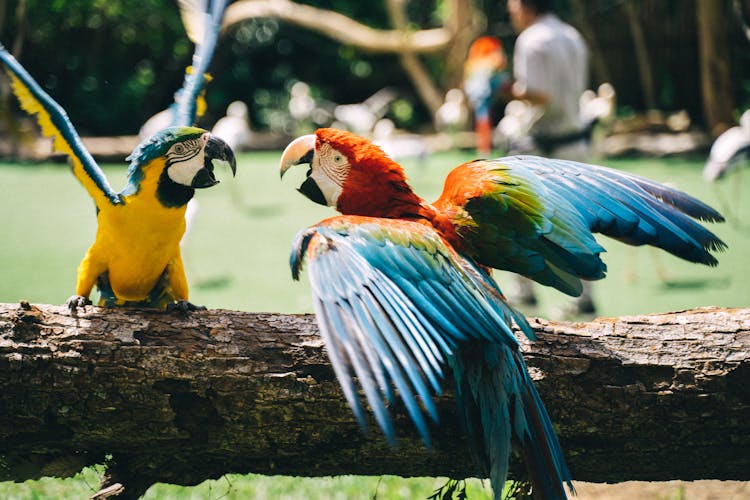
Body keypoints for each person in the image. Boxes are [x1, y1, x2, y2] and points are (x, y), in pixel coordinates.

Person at [506, 0, 596, 315]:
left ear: (527, 6)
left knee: (519, 217)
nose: (511, 11)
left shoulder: (531, 40)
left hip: (542, 145)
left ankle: (524, 290)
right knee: (577, 221)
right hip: (576, 139)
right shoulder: (572, 35)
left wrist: (503, 89)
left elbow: (540, 94)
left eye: (513, 5)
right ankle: (585, 296)